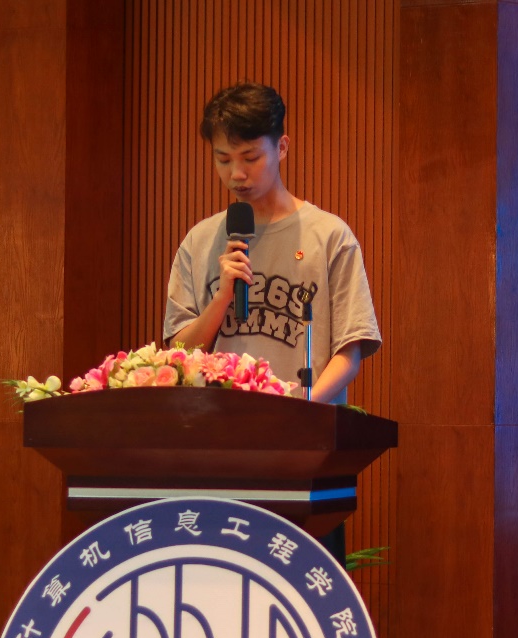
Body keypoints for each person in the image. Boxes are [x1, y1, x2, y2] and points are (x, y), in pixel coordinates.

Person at [163, 83, 381, 404]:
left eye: (250, 157)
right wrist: (222, 297)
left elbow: (350, 351)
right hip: (219, 426)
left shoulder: (330, 236)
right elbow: (179, 353)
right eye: (223, 159)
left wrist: (300, 411)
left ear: (281, 147)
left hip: (303, 425)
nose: (237, 174)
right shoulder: (199, 242)